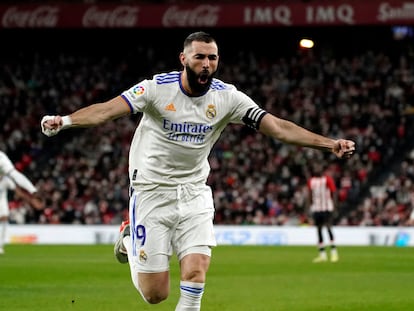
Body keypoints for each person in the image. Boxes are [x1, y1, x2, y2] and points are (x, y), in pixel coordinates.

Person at [40, 31, 355, 310]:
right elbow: (107, 110)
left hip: (194, 194)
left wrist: (328, 144)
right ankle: (127, 240)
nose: (207, 63)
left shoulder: (228, 97)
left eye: (213, 57)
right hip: (152, 193)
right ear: (183, 58)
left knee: (195, 273)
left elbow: (277, 127)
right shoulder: (155, 89)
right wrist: (65, 121)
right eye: (200, 57)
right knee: (155, 295)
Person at [0, 151, 43, 254]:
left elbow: (16, 177)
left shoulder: (2, 160)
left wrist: (33, 192)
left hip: (1, 200)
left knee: (4, 218)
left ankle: (0, 245)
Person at [307, 163, 339, 263]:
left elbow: (334, 192)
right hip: (317, 208)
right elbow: (310, 195)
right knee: (319, 230)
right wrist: (310, 207)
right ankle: (322, 254)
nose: (318, 170)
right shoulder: (311, 181)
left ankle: (334, 252)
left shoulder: (327, 180)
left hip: (327, 208)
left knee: (328, 227)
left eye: (319, 168)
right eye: (316, 168)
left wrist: (334, 206)